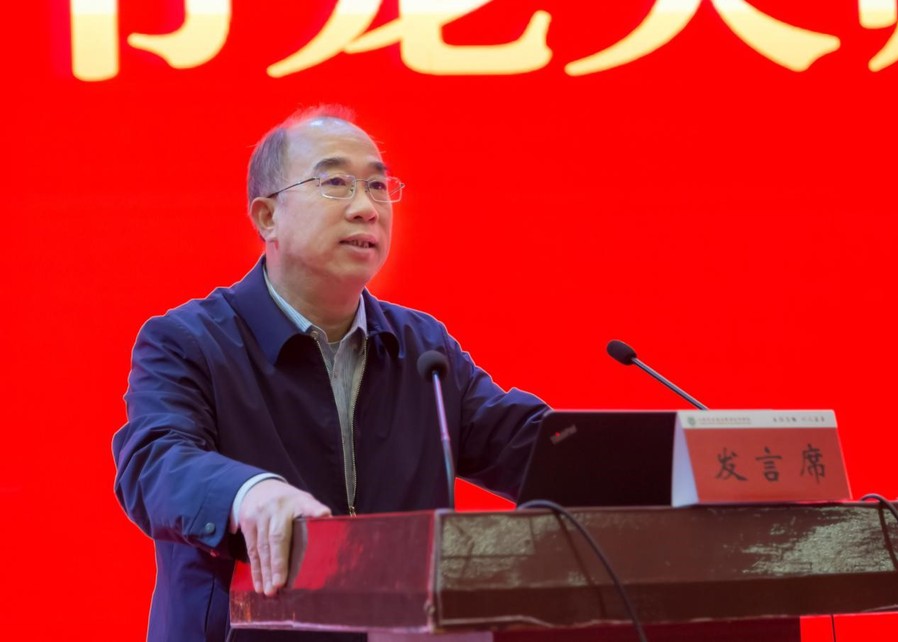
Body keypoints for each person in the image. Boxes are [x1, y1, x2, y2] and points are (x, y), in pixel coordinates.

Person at [112, 105, 549, 642]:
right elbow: (154, 461)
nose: (367, 208)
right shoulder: (189, 341)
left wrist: (639, 458)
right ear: (267, 217)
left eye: (378, 186)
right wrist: (248, 493)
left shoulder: (421, 348)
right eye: (336, 183)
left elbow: (524, 445)